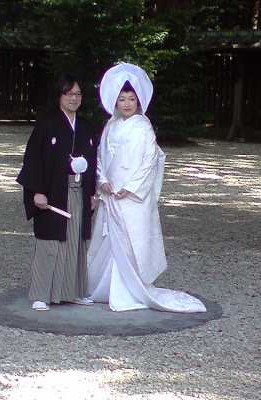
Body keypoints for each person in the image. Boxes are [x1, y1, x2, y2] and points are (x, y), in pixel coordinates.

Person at [87, 63, 207, 313]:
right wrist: (102, 181)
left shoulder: (143, 126)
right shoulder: (110, 125)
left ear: (138, 100)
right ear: (115, 102)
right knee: (108, 240)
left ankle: (131, 288)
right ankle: (103, 286)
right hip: (111, 194)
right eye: (122, 99)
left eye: (131, 98)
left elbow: (149, 161)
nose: (127, 103)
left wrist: (129, 188)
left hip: (132, 197)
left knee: (132, 242)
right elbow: (99, 156)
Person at [16, 75, 97, 311]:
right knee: (50, 242)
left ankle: (76, 291)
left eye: (78, 94)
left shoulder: (86, 127)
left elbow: (93, 163)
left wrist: (91, 193)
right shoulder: (46, 125)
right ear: (59, 96)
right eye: (68, 93)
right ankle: (42, 294)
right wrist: (37, 191)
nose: (74, 98)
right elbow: (33, 160)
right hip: (52, 191)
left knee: (78, 240)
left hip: (79, 190)